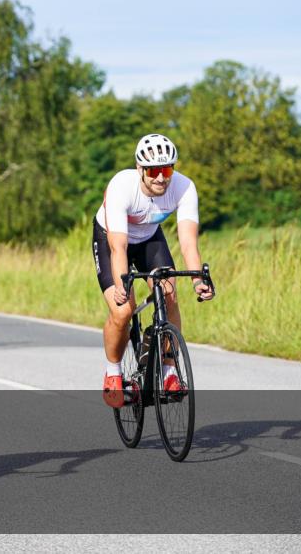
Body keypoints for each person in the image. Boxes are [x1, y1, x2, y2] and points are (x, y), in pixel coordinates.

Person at [93, 134, 215, 409]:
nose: (162, 178)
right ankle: (113, 373)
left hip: (149, 238)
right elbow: (119, 247)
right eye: (154, 171)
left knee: (169, 293)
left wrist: (198, 280)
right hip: (112, 238)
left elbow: (187, 242)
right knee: (122, 310)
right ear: (140, 169)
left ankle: (169, 371)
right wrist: (123, 286)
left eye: (168, 169)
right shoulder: (121, 187)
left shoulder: (184, 187)